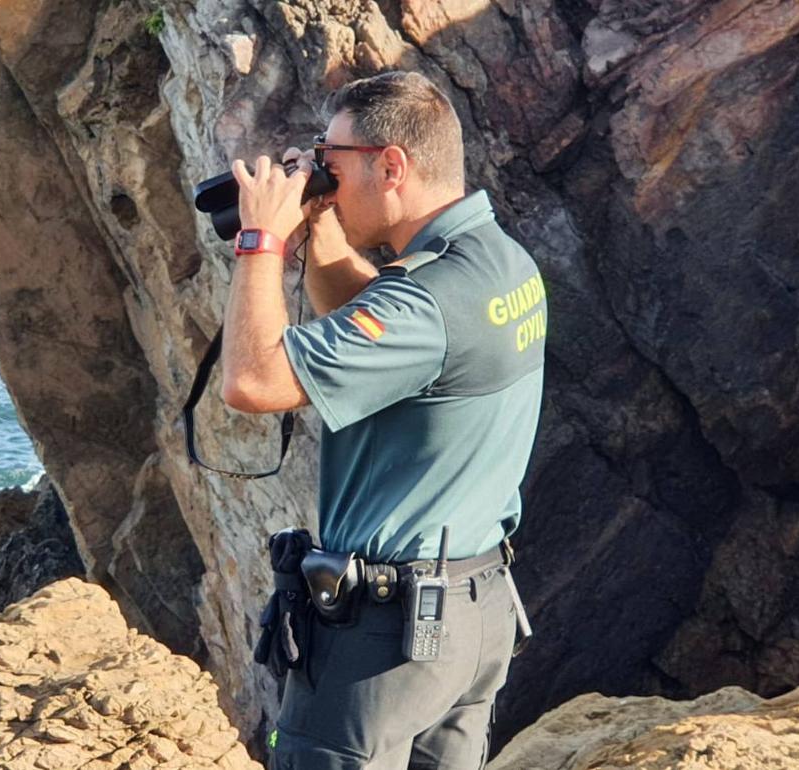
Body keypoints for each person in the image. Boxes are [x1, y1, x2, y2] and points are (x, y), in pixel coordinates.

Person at [221, 70, 547, 770]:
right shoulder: (496, 265)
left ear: (391, 165)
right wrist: (323, 237)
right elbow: (396, 330)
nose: (323, 178)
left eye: (331, 164)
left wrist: (261, 244)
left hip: (381, 645)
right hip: (473, 615)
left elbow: (253, 383)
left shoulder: (424, 304)